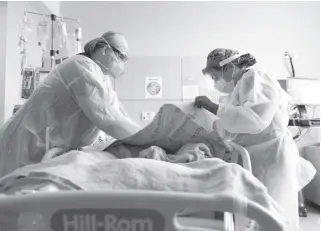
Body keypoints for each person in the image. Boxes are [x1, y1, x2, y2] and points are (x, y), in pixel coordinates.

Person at [194, 48, 316, 229]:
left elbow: (254, 119)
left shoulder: (256, 77)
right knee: (260, 211)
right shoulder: (239, 87)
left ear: (229, 67)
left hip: (272, 155)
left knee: (274, 211)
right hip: (260, 154)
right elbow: (233, 124)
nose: (215, 81)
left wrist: (214, 107)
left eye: (215, 76)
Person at [0, 31, 141, 177]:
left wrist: (149, 136)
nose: (122, 63)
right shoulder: (82, 67)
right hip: (25, 145)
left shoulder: (101, 77)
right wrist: (148, 141)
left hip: (46, 147)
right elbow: (109, 119)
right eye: (122, 57)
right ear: (106, 50)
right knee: (15, 190)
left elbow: (119, 115)